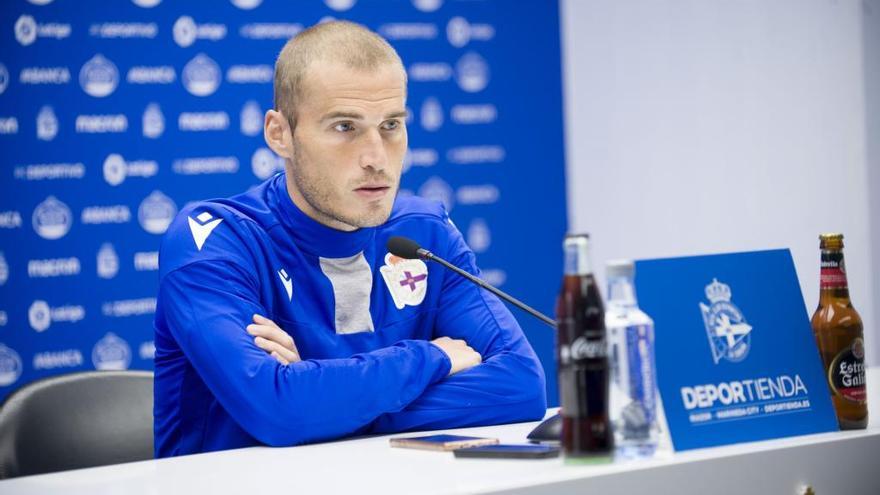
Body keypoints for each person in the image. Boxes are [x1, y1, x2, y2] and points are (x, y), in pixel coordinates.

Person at [153, 20, 547, 458]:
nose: (376, 158)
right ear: (278, 133)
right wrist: (429, 359)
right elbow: (277, 411)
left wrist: (320, 397)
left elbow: (521, 386)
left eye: (391, 125)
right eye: (345, 127)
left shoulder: (425, 232)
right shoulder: (216, 240)